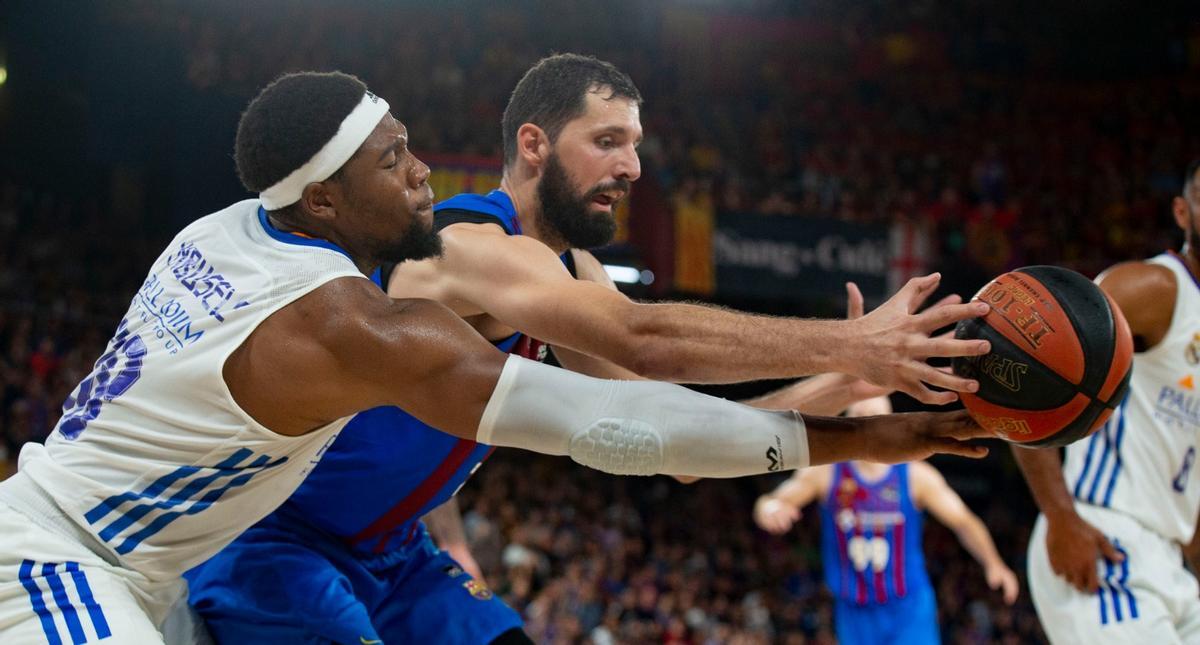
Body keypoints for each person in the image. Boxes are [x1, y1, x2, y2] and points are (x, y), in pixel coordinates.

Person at [0, 70, 990, 644]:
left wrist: (865, 404)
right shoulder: (414, 281)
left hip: (379, 549)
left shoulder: (229, 230)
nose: (424, 169)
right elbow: (631, 385)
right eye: (607, 141)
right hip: (106, 554)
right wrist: (862, 350)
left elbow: (665, 431)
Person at [1013, 159, 1200, 642]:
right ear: (1182, 212)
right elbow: (1027, 369)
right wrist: (1061, 516)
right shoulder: (1158, 289)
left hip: (1171, 564)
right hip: (1104, 535)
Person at [754, 396, 1019, 645]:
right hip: (852, 608)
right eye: (860, 420)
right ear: (848, 423)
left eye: (875, 419)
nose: (868, 429)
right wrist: (769, 508)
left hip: (907, 607)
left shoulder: (916, 476)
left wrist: (993, 563)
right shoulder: (825, 473)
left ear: (890, 422)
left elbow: (964, 521)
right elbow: (773, 501)